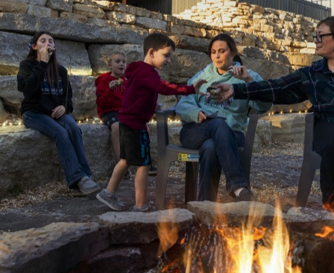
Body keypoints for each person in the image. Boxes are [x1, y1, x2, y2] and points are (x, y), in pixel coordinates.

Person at [213, 16, 334, 212]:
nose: (316, 41)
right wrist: (235, 90)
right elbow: (278, 87)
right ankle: (332, 213)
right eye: (315, 37)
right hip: (333, 127)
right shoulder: (313, 73)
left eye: (321, 36)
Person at [97, 32, 207, 212]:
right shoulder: (147, 73)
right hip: (134, 124)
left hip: (128, 120)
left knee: (125, 160)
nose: (168, 60)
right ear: (152, 52)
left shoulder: (138, 70)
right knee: (143, 164)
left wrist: (150, 107)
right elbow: (163, 87)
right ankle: (141, 205)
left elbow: (138, 95)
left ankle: (108, 193)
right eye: (166, 55)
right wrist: (190, 89)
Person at [175, 34, 272, 202]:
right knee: (217, 123)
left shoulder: (249, 77)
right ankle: (237, 186)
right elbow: (183, 104)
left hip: (232, 135)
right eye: (213, 52)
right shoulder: (202, 77)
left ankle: (205, 206)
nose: (217, 56)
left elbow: (264, 106)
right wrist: (194, 113)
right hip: (196, 131)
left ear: (233, 52)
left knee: (211, 146)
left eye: (221, 51)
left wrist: (248, 81)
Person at [18, 31, 99, 195]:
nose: (48, 44)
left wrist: (64, 107)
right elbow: (27, 89)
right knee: (61, 133)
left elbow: (67, 96)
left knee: (74, 129)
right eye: (43, 41)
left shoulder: (60, 70)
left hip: (56, 113)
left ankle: (86, 175)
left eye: (51, 41)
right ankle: (77, 179)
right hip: (34, 113)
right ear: (34, 47)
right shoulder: (26, 66)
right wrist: (42, 63)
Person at [94, 52, 131, 180]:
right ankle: (120, 165)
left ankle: (144, 161)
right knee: (116, 127)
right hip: (108, 112)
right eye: (117, 61)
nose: (121, 64)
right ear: (110, 65)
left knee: (143, 127)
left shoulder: (127, 82)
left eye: (123, 62)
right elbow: (101, 103)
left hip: (123, 112)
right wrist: (109, 90)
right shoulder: (104, 81)